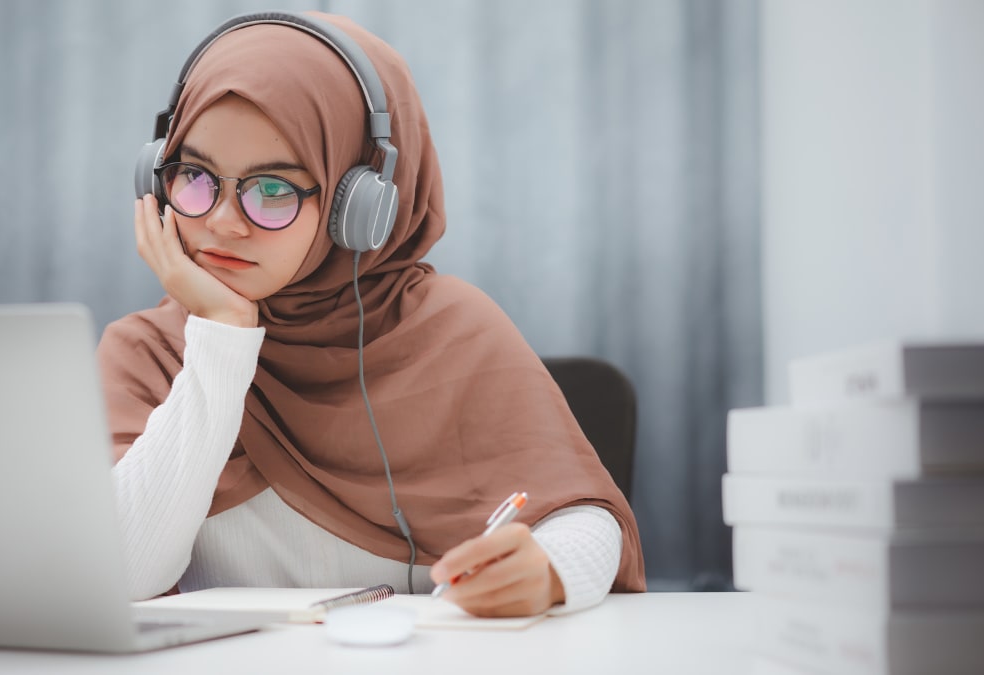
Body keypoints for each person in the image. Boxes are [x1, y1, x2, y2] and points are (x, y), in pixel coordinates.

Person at [98, 11, 645, 618]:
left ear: (359, 207)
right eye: (193, 176)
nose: (223, 221)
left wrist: (549, 570)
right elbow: (122, 571)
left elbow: (587, 522)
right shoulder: (148, 351)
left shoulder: (449, 330)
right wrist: (222, 334)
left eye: (274, 190)